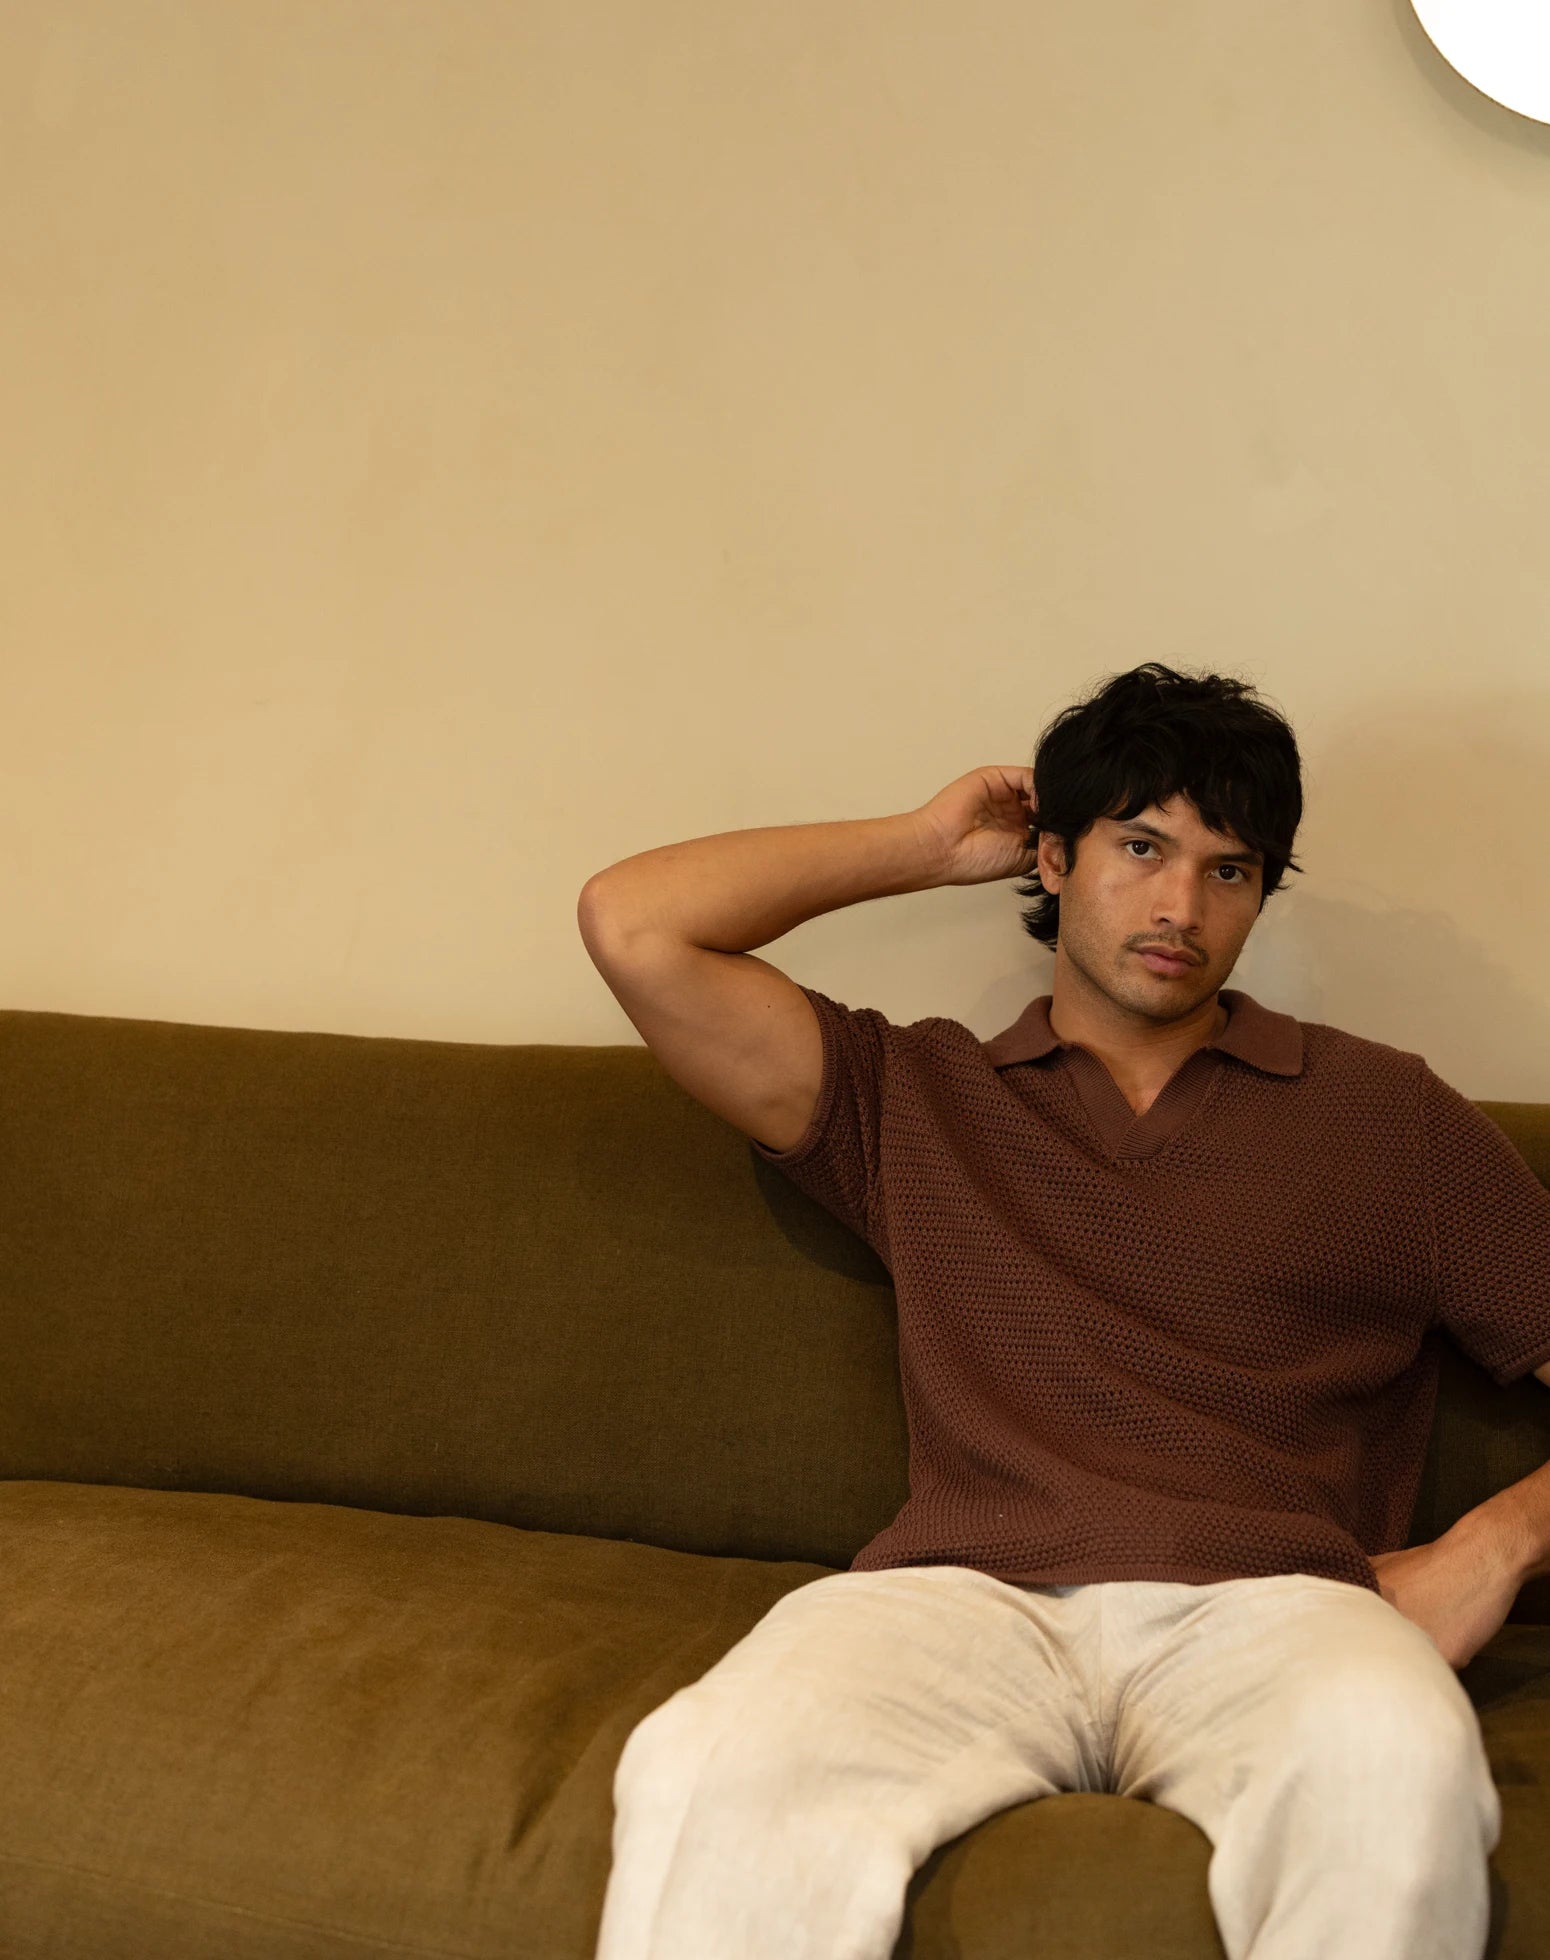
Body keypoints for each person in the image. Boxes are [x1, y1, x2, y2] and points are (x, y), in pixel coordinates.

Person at [575, 662, 1550, 1960]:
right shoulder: (911, 1095)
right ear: (1050, 856)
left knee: (1399, 1764)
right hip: (960, 1601)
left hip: (1274, 1610)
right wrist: (925, 845)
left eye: (1228, 869)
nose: (1180, 906)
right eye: (1139, 846)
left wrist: (1491, 1547)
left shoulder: (1387, 1118)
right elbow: (634, 924)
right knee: (711, 1763)